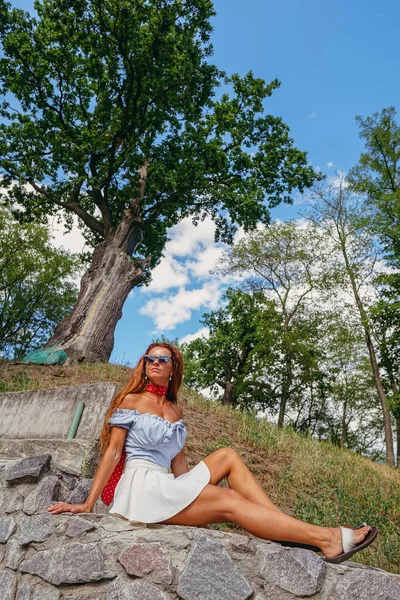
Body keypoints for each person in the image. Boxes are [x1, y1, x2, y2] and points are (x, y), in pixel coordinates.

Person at [48, 342, 378, 564]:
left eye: (163, 359)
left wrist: (198, 506)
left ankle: (284, 529)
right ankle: (326, 538)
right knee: (231, 502)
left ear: (174, 367)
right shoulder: (131, 401)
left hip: (167, 485)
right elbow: (113, 452)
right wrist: (89, 504)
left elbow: (179, 467)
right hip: (142, 489)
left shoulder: (175, 413)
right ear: (144, 365)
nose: (155, 363)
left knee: (228, 456)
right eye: (150, 359)